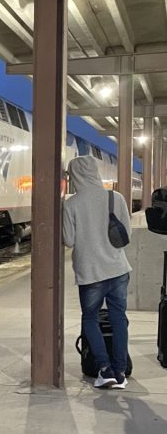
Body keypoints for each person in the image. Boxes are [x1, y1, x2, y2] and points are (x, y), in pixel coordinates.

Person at [62, 155, 132, 389]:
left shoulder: (71, 204)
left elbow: (69, 240)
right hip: (118, 269)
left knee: (90, 318)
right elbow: (126, 236)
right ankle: (120, 372)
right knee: (118, 317)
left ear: (75, 176)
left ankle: (105, 370)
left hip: (91, 273)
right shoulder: (116, 197)